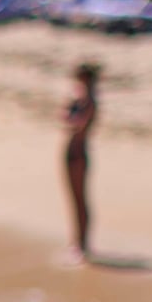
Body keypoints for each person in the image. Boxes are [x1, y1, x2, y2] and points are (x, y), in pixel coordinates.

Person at [62, 62, 99, 261]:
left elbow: (76, 123)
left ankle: (83, 244)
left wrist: (71, 110)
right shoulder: (81, 100)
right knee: (74, 199)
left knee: (80, 200)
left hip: (79, 152)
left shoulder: (90, 102)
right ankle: (78, 242)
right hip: (73, 149)